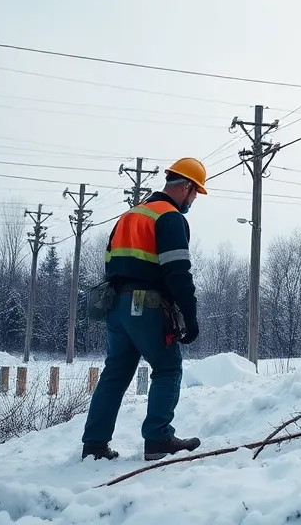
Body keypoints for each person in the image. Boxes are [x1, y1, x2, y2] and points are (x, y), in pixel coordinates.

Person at [81, 157, 206, 461]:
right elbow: (177, 271)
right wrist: (189, 315)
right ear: (186, 187)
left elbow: (110, 261)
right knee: (168, 368)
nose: (193, 201)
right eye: (194, 194)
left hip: (117, 305)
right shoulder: (170, 217)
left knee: (115, 373)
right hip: (147, 306)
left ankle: (94, 445)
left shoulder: (129, 215)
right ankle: (158, 439)